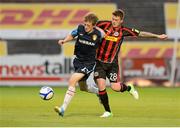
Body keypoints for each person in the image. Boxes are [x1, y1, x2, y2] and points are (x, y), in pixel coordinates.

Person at [94, 9, 168, 118]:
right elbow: (91, 27)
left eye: (116, 20)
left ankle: (129, 88)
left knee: (114, 87)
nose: (113, 21)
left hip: (112, 64)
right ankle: (108, 112)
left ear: (121, 21)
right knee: (101, 86)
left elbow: (141, 33)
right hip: (99, 62)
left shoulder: (124, 30)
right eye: (113, 19)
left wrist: (157, 36)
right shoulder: (103, 24)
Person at [54, 12, 103, 117]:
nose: (85, 27)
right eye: (85, 24)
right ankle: (99, 92)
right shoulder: (80, 29)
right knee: (83, 88)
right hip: (78, 61)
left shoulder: (98, 35)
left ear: (94, 25)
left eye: (88, 25)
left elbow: (103, 48)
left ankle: (63, 108)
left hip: (89, 63)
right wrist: (64, 41)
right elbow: (72, 34)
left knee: (72, 80)